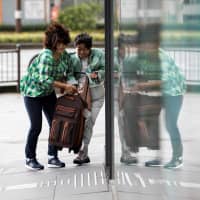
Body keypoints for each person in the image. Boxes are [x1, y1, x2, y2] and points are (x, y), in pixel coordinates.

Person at [20, 22, 77, 170]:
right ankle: (29, 158)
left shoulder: (65, 56)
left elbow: (70, 73)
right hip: (33, 93)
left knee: (55, 123)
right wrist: (64, 86)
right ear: (52, 41)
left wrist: (72, 85)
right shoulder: (47, 56)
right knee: (36, 126)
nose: (61, 46)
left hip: (47, 93)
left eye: (63, 43)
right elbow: (44, 80)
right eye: (58, 43)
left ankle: (52, 156)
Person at [131, 41, 186, 169]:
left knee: (170, 125)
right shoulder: (147, 57)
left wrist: (143, 85)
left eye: (147, 46)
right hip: (161, 93)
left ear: (155, 46)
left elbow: (164, 81)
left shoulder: (163, 59)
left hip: (174, 93)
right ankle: (159, 157)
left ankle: (178, 157)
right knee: (153, 121)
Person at [71, 33, 105, 165]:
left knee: (89, 122)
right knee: (81, 123)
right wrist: (73, 83)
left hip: (97, 97)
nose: (81, 52)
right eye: (78, 49)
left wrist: (95, 75)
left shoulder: (98, 54)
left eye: (84, 49)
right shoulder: (72, 58)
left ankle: (83, 152)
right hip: (80, 97)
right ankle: (82, 152)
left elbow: (104, 70)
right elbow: (69, 75)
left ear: (90, 49)